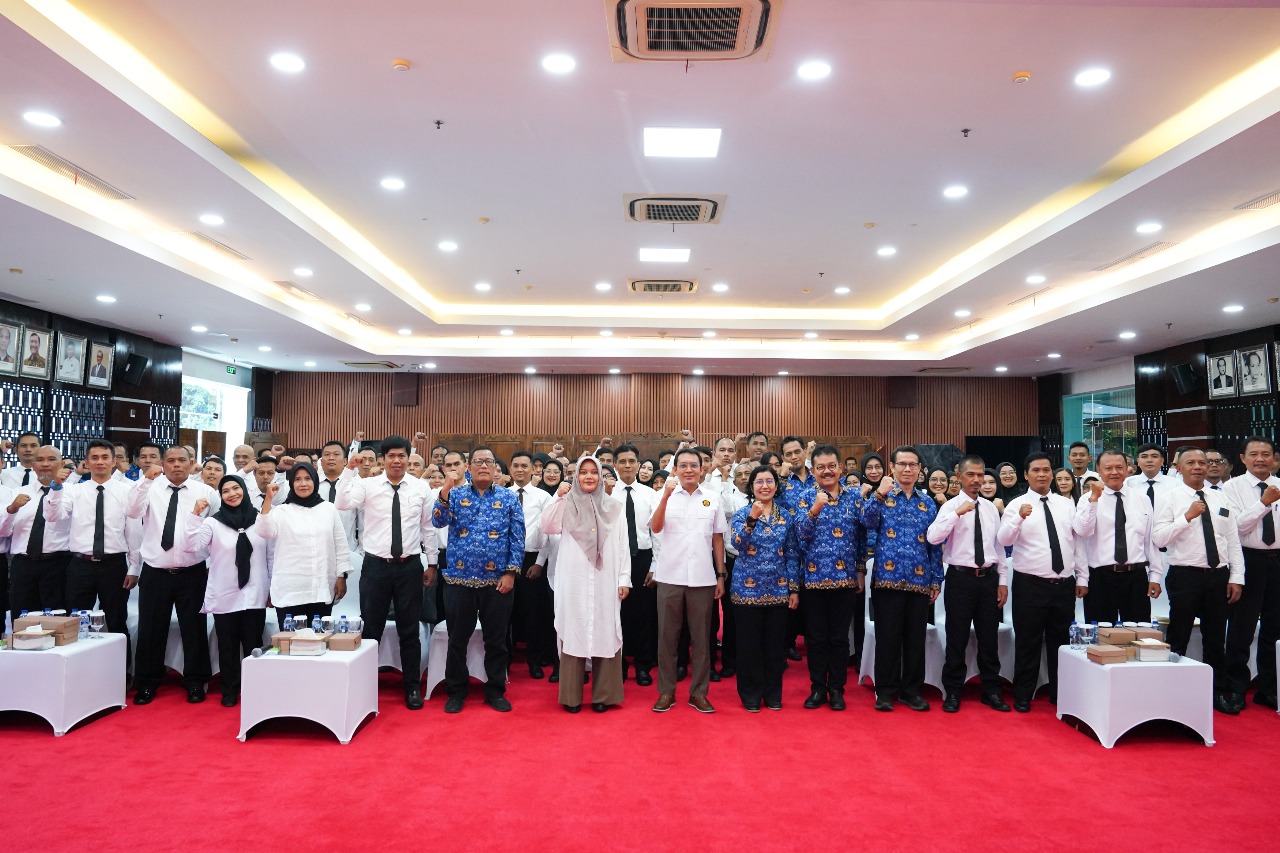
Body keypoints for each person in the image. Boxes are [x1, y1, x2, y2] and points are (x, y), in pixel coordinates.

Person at [338, 435, 438, 709]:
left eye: (401, 456)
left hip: (410, 567)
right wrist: (349, 471)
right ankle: (364, 687)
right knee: (372, 629)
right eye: (391, 456)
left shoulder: (421, 488)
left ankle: (412, 687)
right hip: (376, 567)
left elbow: (428, 528)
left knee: (409, 630)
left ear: (408, 458)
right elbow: (343, 503)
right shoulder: (367, 485)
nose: (396, 460)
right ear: (383, 459)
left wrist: (431, 563)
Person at [1152, 447, 1244, 715]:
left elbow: (1232, 541)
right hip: (1185, 576)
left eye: (1202, 462)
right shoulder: (1169, 498)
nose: (1198, 467)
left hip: (1218, 576)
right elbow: (1159, 539)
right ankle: (1174, 693)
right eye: (1190, 462)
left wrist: (1236, 577)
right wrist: (1186, 517)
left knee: (1215, 639)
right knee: (1178, 635)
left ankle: (1215, 691)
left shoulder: (1221, 498)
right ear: (1179, 468)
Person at [126, 445, 219, 705]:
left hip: (193, 572)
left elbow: (217, 529)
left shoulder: (206, 492)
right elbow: (132, 511)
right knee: (150, 629)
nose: (176, 465)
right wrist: (146, 480)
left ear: (191, 463)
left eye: (181, 460)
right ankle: (147, 682)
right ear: (163, 464)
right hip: (156, 571)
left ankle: (196, 681)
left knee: (194, 629)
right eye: (171, 460)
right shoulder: (149, 488)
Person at [433, 446, 523, 713]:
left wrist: (511, 573)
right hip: (459, 581)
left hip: (497, 582)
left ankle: (495, 690)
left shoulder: (509, 498)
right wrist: (445, 490)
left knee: (496, 641)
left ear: (496, 468)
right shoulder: (455, 494)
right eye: (478, 462)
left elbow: (518, 538)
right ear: (469, 467)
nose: (483, 466)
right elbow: (437, 521)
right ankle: (456, 691)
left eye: (489, 462)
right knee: (457, 640)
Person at [543, 456, 630, 713]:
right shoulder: (566, 504)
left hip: (606, 579)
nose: (589, 476)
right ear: (576, 477)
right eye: (583, 472)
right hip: (574, 580)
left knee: (605, 630)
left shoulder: (614, 506)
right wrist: (558, 497)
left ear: (601, 477)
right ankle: (571, 696)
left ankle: (604, 695)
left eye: (594, 472)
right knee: (573, 630)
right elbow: (547, 526)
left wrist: (624, 578)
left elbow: (623, 544)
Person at [997, 452, 1084, 712]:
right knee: (1028, 641)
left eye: (1046, 470)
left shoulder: (1066, 504)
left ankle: (1060, 693)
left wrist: (1082, 575)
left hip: (1063, 583)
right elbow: (1004, 539)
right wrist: (1019, 518)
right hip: (1030, 584)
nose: (1042, 474)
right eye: (1036, 470)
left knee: (1062, 642)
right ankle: (1023, 694)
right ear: (1026, 475)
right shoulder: (1016, 504)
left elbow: (1077, 542)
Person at [861, 445, 942, 712]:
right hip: (887, 580)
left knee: (915, 640)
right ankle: (885, 691)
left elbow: (934, 545)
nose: (907, 469)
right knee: (887, 639)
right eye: (902, 464)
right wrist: (878, 495)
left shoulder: (927, 503)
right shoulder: (882, 496)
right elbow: (866, 522)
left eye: (912, 465)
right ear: (892, 468)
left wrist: (936, 579)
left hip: (919, 581)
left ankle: (911, 691)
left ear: (920, 470)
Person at [927, 454, 1010, 713]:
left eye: (980, 475)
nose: (976, 479)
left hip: (988, 579)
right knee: (957, 637)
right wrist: (956, 514)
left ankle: (991, 690)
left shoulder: (990, 509)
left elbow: (999, 547)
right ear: (959, 477)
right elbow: (933, 537)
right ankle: (953, 690)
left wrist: (1003, 581)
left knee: (989, 637)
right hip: (960, 578)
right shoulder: (950, 506)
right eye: (970, 475)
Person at [648, 448, 727, 713]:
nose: (689, 470)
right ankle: (666, 691)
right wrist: (665, 496)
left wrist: (720, 574)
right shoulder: (663, 494)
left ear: (702, 469)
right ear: (675, 470)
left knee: (702, 639)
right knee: (667, 637)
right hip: (669, 576)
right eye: (683, 465)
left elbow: (717, 538)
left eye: (694, 465)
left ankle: (699, 693)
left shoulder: (712, 498)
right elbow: (655, 527)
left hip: (703, 578)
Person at [42, 439, 138, 654]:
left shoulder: (127, 491)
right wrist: (56, 487)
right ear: (86, 462)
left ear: (113, 462)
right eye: (94, 458)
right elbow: (53, 516)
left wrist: (134, 567)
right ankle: (77, 666)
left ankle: (121, 670)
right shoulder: (73, 490)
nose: (100, 462)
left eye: (105, 457)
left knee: (116, 620)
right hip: (80, 565)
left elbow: (133, 532)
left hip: (113, 565)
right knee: (75, 621)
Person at [185, 475, 270, 707]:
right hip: (225, 593)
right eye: (226, 491)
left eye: (236, 488)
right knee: (227, 645)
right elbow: (192, 546)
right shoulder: (213, 522)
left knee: (253, 644)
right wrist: (195, 515)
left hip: (254, 592)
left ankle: (254, 689)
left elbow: (270, 556)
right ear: (220, 496)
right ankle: (230, 689)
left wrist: (271, 587)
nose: (232, 494)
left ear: (244, 490)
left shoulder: (260, 519)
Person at [793, 445, 866, 710]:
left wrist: (860, 570)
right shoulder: (804, 497)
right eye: (821, 467)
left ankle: (836, 689)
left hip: (845, 580)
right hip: (813, 580)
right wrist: (814, 510)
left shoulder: (854, 497)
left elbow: (862, 538)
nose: (827, 471)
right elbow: (799, 536)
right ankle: (817, 688)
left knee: (839, 638)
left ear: (841, 468)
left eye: (831, 466)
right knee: (815, 638)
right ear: (813, 470)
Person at [730, 465, 800, 711]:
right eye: (759, 482)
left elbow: (792, 554)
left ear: (776, 486)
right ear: (752, 487)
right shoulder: (742, 514)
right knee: (749, 646)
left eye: (769, 481)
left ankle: (772, 694)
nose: (765, 486)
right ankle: (750, 694)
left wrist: (793, 588)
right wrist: (752, 519)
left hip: (778, 590)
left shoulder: (786, 517)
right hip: (746, 590)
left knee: (774, 647)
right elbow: (737, 544)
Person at [1221, 436, 1280, 711]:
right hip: (1248, 559)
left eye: (1266, 454)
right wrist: (1264, 503)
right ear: (1243, 458)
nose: (1260, 459)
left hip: (1278, 560)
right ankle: (1235, 687)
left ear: (1274, 459)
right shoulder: (1231, 487)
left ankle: (1269, 688)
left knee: (1274, 627)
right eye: (1254, 454)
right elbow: (1236, 527)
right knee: (1241, 627)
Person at [1072, 450, 1162, 627]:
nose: (1114, 472)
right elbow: (1082, 533)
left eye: (1119, 467)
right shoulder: (1086, 500)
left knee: (1139, 632)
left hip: (1136, 577)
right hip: (1100, 577)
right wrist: (1094, 500)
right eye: (1108, 468)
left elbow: (1149, 540)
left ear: (1127, 469)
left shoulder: (1142, 499)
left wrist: (1155, 575)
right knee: (1102, 635)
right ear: (1098, 470)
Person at [258, 461, 351, 632]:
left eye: (307, 478)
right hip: (290, 590)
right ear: (291, 483)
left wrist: (341, 576)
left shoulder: (328, 509)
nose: (303, 483)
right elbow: (264, 531)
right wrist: (268, 499)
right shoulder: (282, 511)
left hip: (321, 588)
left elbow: (340, 544)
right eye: (297, 479)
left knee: (320, 641)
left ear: (315, 481)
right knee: (291, 644)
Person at [3, 445, 74, 619]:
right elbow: (3, 532)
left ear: (62, 464)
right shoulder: (17, 492)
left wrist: (57, 487)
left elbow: (56, 516)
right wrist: (11, 509)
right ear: (32, 465)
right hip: (23, 565)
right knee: (22, 620)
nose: (45, 464)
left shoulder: (73, 492)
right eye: (40, 460)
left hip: (58, 564)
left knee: (57, 620)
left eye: (51, 459)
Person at [609, 444, 659, 685]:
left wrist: (655, 565)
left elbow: (657, 533)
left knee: (644, 615)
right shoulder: (607, 495)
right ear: (615, 465)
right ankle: (617, 666)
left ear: (638, 465)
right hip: (615, 560)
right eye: (622, 461)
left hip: (643, 558)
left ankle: (643, 665)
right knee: (616, 614)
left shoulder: (650, 494)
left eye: (631, 461)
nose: (627, 466)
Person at [508, 450, 553, 679]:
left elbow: (548, 532)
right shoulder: (502, 494)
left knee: (533, 614)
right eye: (516, 465)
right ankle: (504, 661)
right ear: (510, 469)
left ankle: (534, 661)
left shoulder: (542, 497)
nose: (520, 470)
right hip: (505, 561)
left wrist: (540, 563)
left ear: (533, 469)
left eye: (524, 466)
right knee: (505, 614)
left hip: (531, 560)